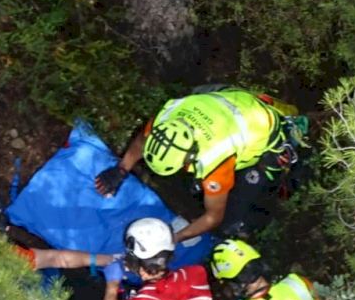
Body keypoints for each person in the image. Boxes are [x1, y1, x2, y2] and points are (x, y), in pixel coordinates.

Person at [94, 86, 307, 243]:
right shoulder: (166, 121)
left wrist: (175, 238)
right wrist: (121, 169)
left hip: (264, 131)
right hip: (229, 103)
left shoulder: (215, 160)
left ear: (190, 156)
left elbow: (213, 217)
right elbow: (143, 140)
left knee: (234, 215)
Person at [0, 183, 118, 273]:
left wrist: (106, 259)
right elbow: (55, 259)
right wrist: (109, 260)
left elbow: (56, 258)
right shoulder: (1, 255)